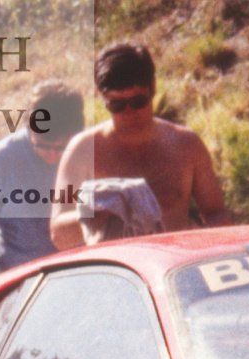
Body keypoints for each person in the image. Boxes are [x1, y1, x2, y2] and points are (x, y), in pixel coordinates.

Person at [50, 43, 228, 249]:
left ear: (153, 88)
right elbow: (59, 235)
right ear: (102, 98)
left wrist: (206, 246)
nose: (129, 113)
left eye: (138, 101)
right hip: (115, 266)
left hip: (173, 259)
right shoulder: (82, 150)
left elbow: (217, 214)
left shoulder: (186, 145)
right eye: (117, 105)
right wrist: (96, 210)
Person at [0, 81, 84, 280]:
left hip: (79, 280)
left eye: (61, 147)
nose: (52, 155)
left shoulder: (90, 152)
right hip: (18, 285)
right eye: (42, 145)